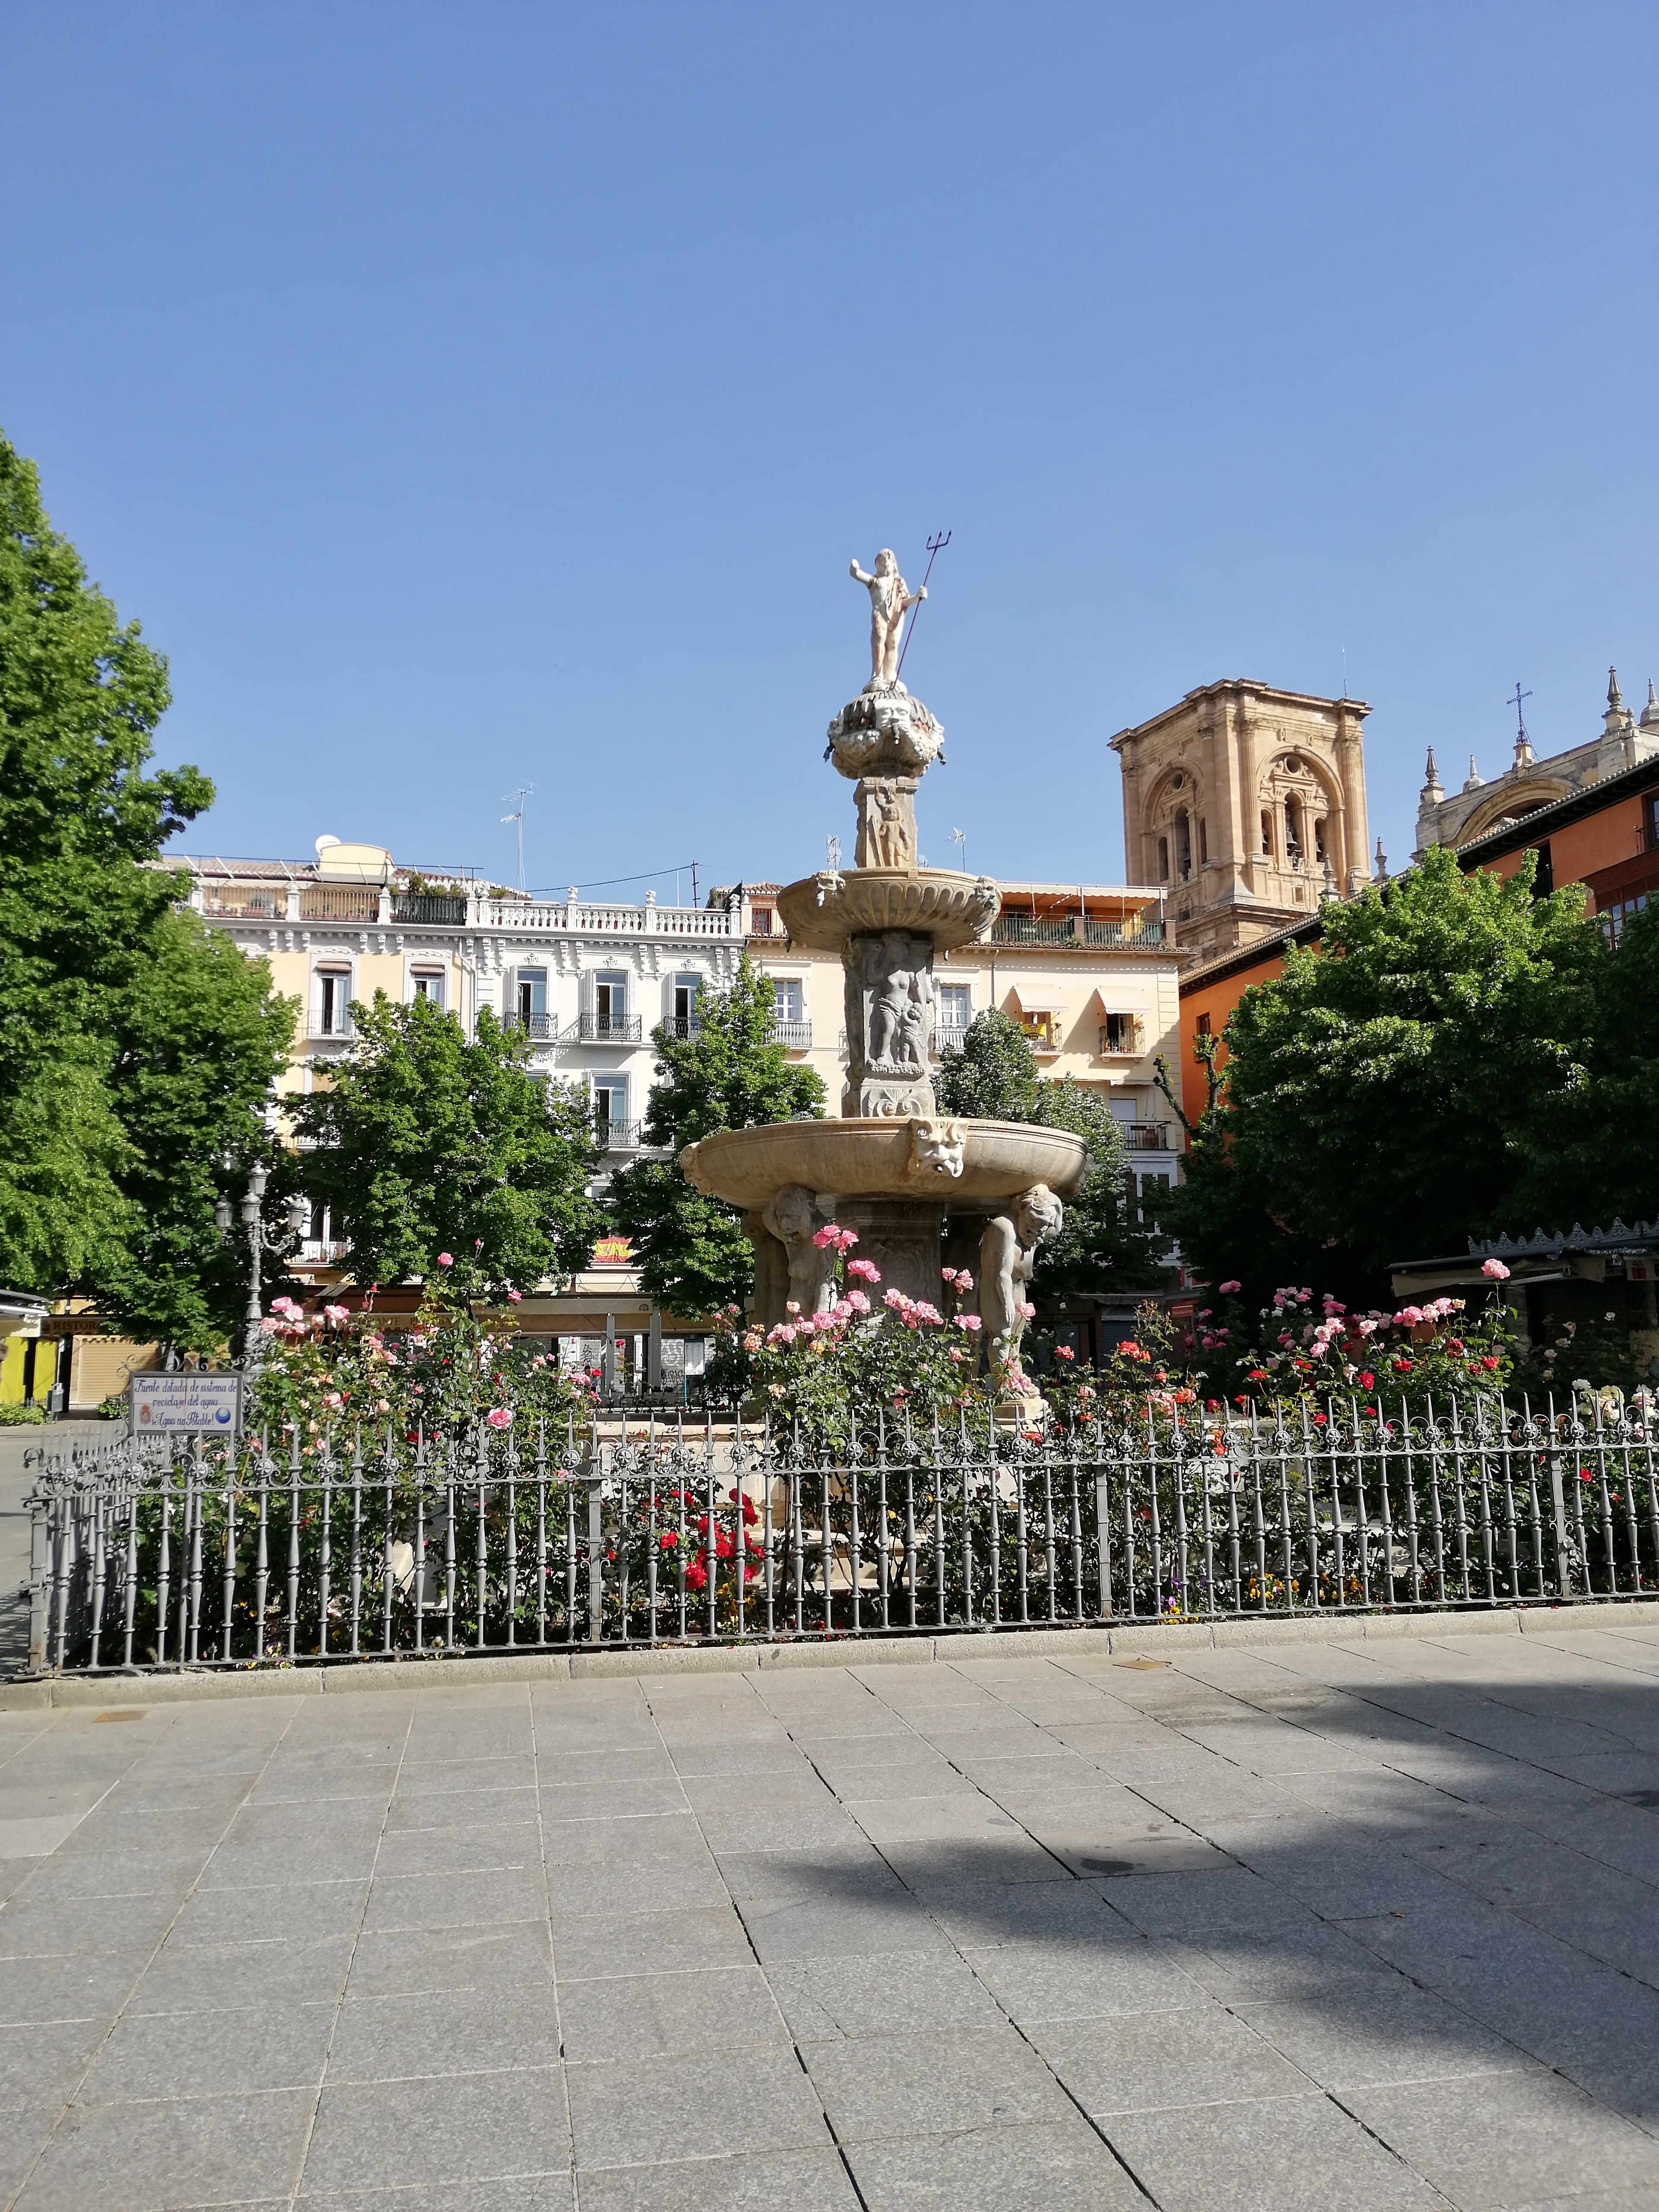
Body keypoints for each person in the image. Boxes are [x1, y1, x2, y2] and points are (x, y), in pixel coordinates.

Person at [850, 550, 925, 690]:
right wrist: (855, 570)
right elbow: (861, 576)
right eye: (881, 563)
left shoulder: (899, 583)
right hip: (879, 614)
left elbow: (904, 602)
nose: (885, 566)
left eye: (887, 562)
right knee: (879, 640)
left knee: (892, 644)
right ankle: (877, 675)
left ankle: (890, 675)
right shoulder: (877, 582)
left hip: (895, 616)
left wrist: (917, 597)